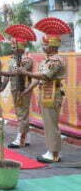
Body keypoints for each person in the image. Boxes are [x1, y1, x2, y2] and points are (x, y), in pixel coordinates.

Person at [18, 17, 71, 163]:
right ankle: (50, 150)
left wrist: (26, 73)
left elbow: (45, 75)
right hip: (46, 94)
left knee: (51, 124)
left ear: (53, 46)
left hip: (52, 95)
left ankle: (54, 153)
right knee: (48, 124)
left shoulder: (56, 60)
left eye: (45, 44)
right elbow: (38, 79)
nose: (43, 47)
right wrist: (28, 88)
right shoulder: (46, 59)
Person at [0, 25, 36, 148]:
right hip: (14, 89)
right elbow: (8, 76)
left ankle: (20, 139)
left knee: (22, 114)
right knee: (20, 113)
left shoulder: (27, 60)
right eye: (12, 46)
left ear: (21, 47)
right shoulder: (12, 60)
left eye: (15, 46)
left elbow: (18, 72)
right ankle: (27, 137)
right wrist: (2, 87)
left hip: (23, 89)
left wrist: (0, 72)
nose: (12, 48)